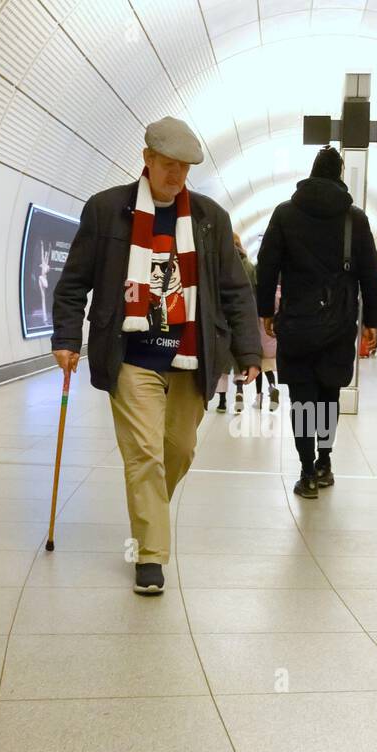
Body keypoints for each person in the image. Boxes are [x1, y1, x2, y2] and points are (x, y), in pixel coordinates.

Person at [51, 116, 261, 594]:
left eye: (185, 168)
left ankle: (149, 514)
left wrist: (247, 349)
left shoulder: (209, 218)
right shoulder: (106, 210)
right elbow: (74, 282)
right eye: (169, 165)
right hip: (131, 354)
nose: (177, 176)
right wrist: (66, 338)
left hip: (192, 356)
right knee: (144, 453)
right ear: (146, 159)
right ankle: (151, 555)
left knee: (179, 451)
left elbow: (234, 290)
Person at [256, 146, 377, 498]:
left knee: (302, 397)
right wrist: (372, 320)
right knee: (328, 396)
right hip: (339, 322)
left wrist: (266, 310)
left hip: (297, 321)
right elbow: (370, 273)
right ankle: (325, 460)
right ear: (339, 174)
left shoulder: (285, 214)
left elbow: (267, 265)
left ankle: (307, 470)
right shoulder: (355, 219)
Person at [213, 232, 259, 413]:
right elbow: (252, 290)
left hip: (222, 314)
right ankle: (239, 390)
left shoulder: (219, 262)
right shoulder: (247, 264)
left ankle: (223, 400)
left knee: (223, 359)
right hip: (241, 314)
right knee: (240, 356)